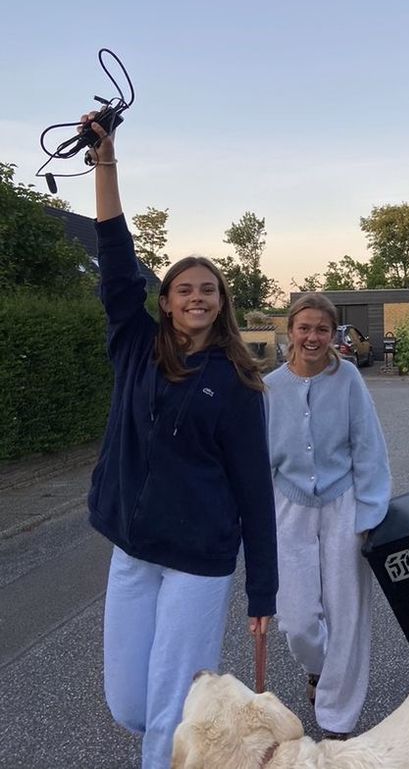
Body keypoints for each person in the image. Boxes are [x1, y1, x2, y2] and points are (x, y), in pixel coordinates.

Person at [82, 114, 278, 769]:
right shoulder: (135, 347)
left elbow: (255, 490)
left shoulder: (237, 383)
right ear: (165, 301)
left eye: (209, 290)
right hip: (134, 549)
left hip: (198, 562)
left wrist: (263, 594)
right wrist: (106, 164)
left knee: (166, 715)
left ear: (221, 303)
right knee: (130, 705)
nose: (197, 297)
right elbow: (114, 258)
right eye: (184, 289)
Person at [264, 293, 391, 739]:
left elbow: (368, 445)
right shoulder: (271, 387)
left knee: (347, 612)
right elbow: (261, 458)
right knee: (297, 617)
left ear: (333, 333)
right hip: (290, 506)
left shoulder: (349, 378)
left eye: (322, 329)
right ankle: (318, 667)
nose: (313, 337)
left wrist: (371, 511)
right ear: (291, 330)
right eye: (305, 327)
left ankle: (337, 717)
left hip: (343, 504)